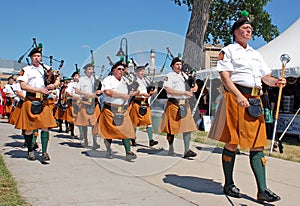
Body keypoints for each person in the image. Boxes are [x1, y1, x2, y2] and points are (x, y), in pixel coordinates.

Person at [208, 12, 285, 203]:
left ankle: (262, 190)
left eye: (250, 29)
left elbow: (264, 76)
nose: (249, 31)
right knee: (232, 143)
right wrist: (238, 95)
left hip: (255, 100)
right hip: (236, 98)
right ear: (236, 32)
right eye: (245, 28)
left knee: (257, 144)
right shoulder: (228, 50)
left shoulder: (256, 54)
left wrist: (276, 82)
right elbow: (225, 76)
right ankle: (229, 183)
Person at [14, 47, 58, 163]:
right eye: (34, 56)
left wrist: (53, 86)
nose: (37, 58)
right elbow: (23, 86)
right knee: (29, 129)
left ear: (41, 57)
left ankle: (44, 152)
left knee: (45, 127)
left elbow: (57, 80)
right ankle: (30, 150)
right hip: (30, 100)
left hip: (44, 102)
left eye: (38, 56)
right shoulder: (26, 70)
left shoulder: (47, 69)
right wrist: (38, 90)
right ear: (31, 57)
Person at [97, 60, 137, 161]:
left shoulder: (125, 80)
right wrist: (122, 95)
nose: (121, 71)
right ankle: (109, 150)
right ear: (114, 70)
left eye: (123, 69)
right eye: (119, 69)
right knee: (108, 132)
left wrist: (133, 92)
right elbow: (107, 92)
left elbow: (133, 89)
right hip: (110, 109)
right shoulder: (108, 80)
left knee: (126, 131)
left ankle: (128, 152)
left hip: (123, 110)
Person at [159, 57, 198, 158]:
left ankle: (187, 150)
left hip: (185, 104)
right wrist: (184, 92)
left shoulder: (185, 75)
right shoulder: (170, 76)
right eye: (176, 64)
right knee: (171, 129)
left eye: (180, 64)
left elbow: (195, 86)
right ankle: (171, 148)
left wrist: (193, 88)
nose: (179, 66)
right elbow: (168, 90)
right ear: (172, 66)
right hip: (174, 104)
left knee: (187, 128)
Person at [129, 65, 158, 147]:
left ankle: (151, 140)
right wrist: (142, 94)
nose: (142, 72)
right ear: (136, 72)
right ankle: (132, 139)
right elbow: (132, 93)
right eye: (141, 71)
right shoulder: (134, 81)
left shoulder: (146, 80)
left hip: (146, 103)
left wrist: (153, 91)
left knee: (149, 122)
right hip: (137, 102)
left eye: (143, 71)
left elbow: (155, 88)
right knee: (134, 123)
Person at [74, 64, 100, 149]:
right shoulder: (81, 80)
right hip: (85, 102)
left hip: (93, 103)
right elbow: (77, 90)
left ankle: (95, 142)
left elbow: (100, 89)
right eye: (89, 69)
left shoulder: (95, 79)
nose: (91, 71)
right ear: (85, 70)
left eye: (92, 69)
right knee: (84, 124)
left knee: (94, 124)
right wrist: (87, 94)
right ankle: (85, 139)